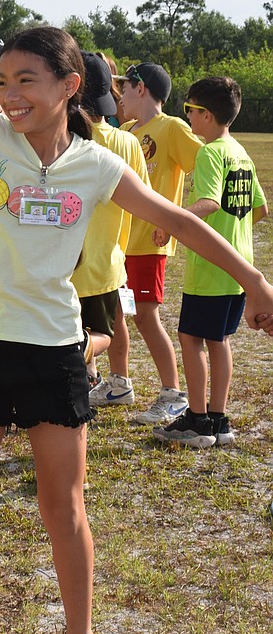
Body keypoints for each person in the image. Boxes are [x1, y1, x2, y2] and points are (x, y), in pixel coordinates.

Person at [0, 26, 273, 634]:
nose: (7, 93)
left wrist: (257, 281)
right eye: (1, 80)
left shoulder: (95, 165)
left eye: (25, 80)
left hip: (54, 351)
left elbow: (178, 224)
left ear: (68, 86)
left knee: (63, 508)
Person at [153, 76, 267, 448]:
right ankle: (218, 418)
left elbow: (209, 202)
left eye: (189, 109)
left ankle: (198, 421)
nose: (186, 116)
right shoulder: (240, 152)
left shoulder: (210, 153)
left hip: (211, 268)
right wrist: (234, 232)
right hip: (239, 267)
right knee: (219, 341)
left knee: (191, 339)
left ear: (205, 114)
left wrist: (173, 223)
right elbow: (260, 209)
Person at [117, 62, 202, 424]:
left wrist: (177, 215)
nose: (119, 95)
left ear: (142, 89)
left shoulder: (173, 127)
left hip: (149, 242)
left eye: (125, 87)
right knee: (118, 312)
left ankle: (173, 393)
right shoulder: (124, 131)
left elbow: (208, 165)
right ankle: (118, 381)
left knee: (146, 318)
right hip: (119, 242)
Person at [71, 53, 149, 401]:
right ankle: (119, 380)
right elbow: (143, 197)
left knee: (75, 332)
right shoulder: (127, 141)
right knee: (112, 324)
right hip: (110, 260)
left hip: (68, 263)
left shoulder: (66, 139)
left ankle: (81, 375)